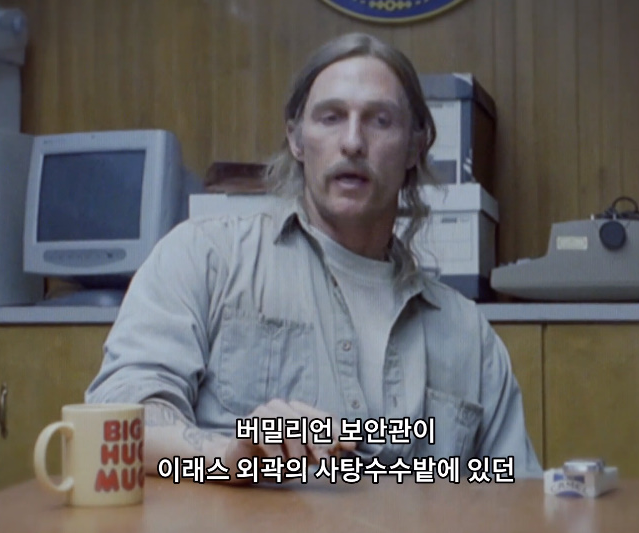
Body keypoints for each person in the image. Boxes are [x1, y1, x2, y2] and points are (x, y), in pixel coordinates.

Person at [85, 32, 542, 482]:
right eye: (331, 117)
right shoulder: (205, 258)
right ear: (297, 139)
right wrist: (227, 455)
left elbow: (516, 493)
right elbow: (116, 424)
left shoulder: (469, 336)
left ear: (414, 147)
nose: (353, 142)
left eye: (380, 120)